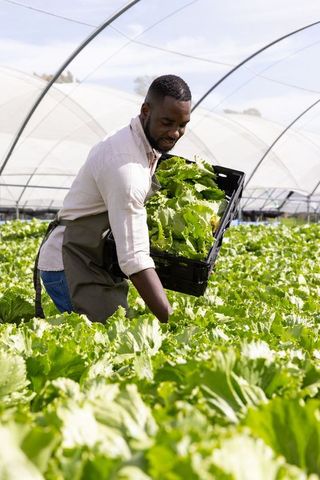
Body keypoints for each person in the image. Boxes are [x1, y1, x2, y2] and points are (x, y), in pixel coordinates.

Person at [35, 74, 192, 324]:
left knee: (118, 335)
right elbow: (134, 258)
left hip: (96, 259)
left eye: (182, 124)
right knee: (111, 344)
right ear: (145, 111)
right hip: (70, 263)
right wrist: (171, 321)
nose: (175, 133)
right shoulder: (125, 166)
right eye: (167, 122)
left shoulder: (141, 145)